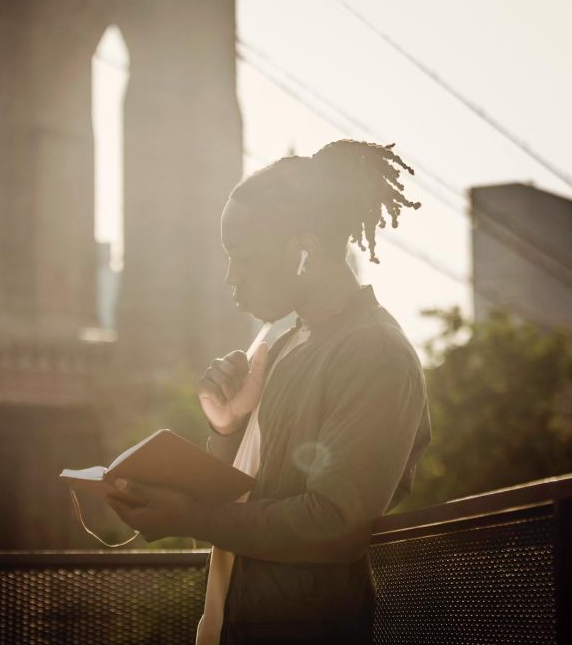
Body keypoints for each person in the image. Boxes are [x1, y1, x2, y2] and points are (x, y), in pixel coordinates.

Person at [106, 139, 432, 644]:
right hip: (234, 621)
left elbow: (335, 523)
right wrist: (227, 428)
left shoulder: (375, 353)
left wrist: (187, 514)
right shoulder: (284, 349)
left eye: (242, 256)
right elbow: (246, 502)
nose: (231, 277)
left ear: (302, 252)